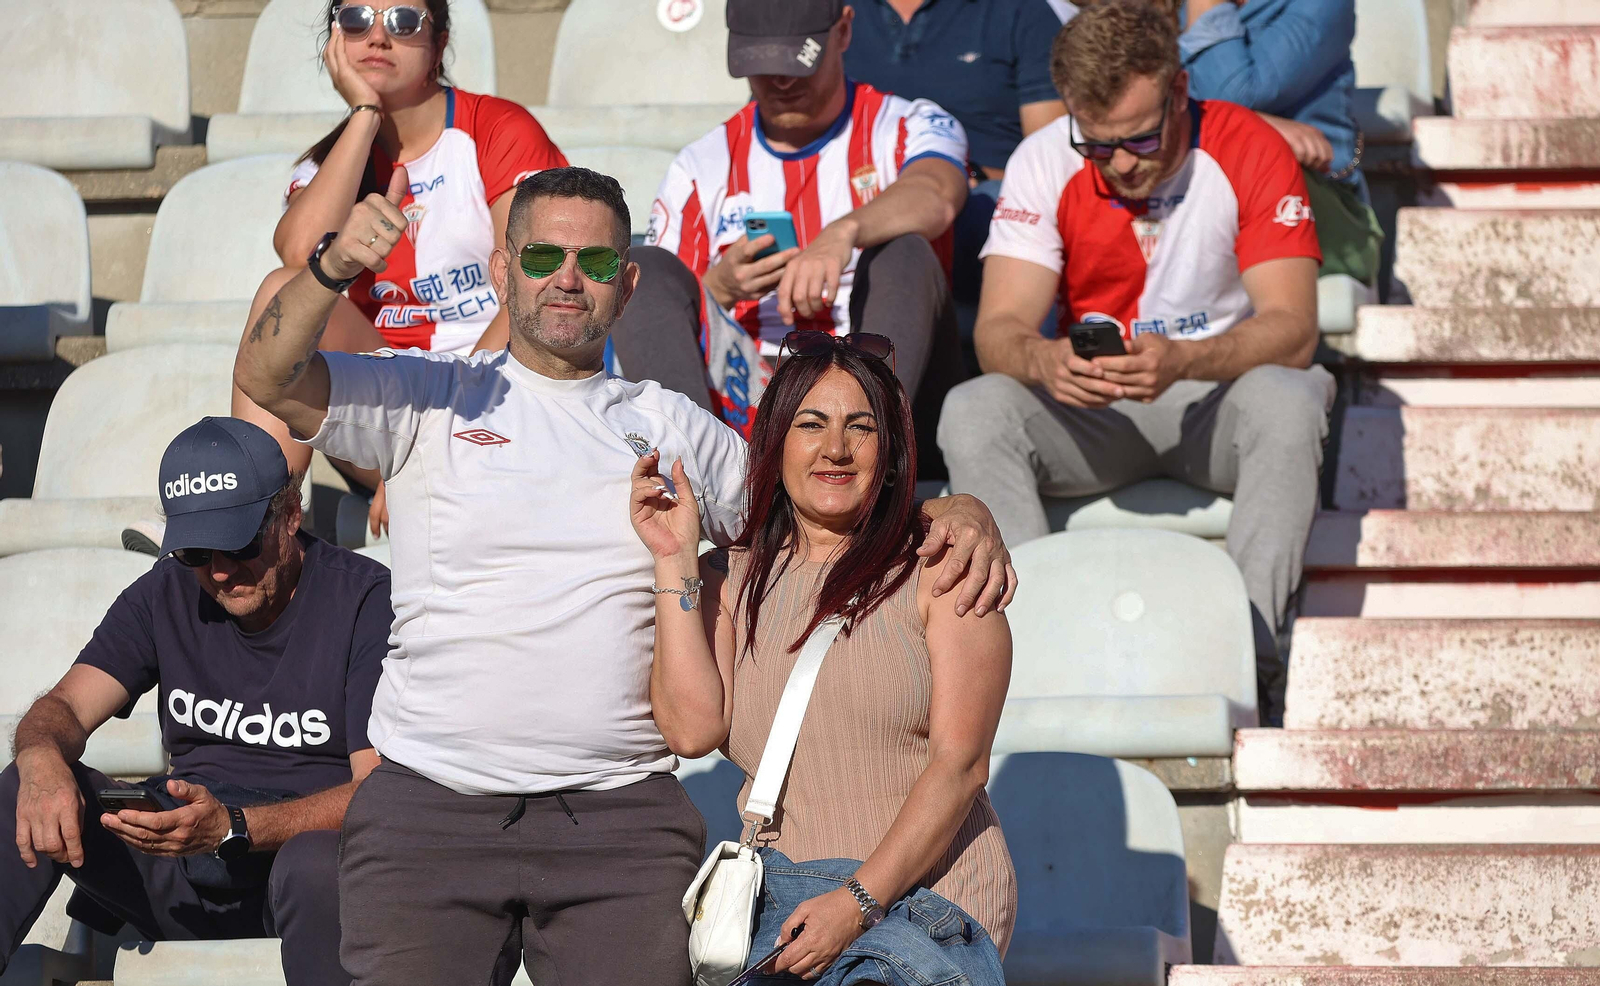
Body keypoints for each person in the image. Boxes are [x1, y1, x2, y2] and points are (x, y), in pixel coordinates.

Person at [231, 164, 1015, 985]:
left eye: (597, 262)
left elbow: (821, 498)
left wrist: (952, 509)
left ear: (628, 284)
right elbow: (265, 376)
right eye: (543, 257)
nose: (568, 279)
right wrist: (332, 269)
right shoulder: (426, 394)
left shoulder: (674, 426)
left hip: (619, 819)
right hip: (431, 805)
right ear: (502, 270)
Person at [938, 0, 1334, 718]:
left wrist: (1185, 360)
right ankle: (1023, 661)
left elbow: (1294, 327)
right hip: (1093, 412)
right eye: (1096, 144)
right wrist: (1045, 360)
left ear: (1180, 91)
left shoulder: (1247, 145)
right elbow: (998, 332)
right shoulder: (1044, 158)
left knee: (1293, 397)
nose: (1120, 163)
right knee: (973, 408)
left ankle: (1252, 661)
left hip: (1216, 400)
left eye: (1141, 139)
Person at [631, 334, 1015, 986]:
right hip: (781, 903)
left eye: (860, 427)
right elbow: (691, 732)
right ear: (775, 444)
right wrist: (674, 559)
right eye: (811, 424)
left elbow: (961, 767)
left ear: (889, 455)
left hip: (925, 899)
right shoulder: (730, 578)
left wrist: (857, 902)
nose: (836, 448)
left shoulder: (943, 566)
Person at [3, 417, 390, 986]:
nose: (221, 570)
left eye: (240, 543)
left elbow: (378, 793)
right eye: (197, 550)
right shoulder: (166, 590)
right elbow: (62, 708)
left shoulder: (363, 598)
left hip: (296, 868)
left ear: (290, 514)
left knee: (315, 866)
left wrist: (236, 827)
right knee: (25, 783)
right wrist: (40, 761)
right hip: (182, 862)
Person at [235, 0, 567, 535]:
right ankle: (249, 531)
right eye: (356, 19)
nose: (377, 36)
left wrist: (433, 435)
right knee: (285, 292)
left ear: (439, 44)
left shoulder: (499, 129)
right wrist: (365, 115)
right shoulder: (332, 162)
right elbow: (297, 255)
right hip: (385, 401)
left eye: (403, 21)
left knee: (535, 293)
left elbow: (536, 291)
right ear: (335, 40)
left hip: (495, 396)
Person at [619, 0, 971, 474]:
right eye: (763, 65)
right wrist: (720, 287)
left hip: (890, 390)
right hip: (752, 389)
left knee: (903, 250)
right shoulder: (701, 165)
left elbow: (938, 193)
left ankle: (873, 472)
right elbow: (657, 308)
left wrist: (844, 233)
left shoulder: (909, 125)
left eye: (797, 62)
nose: (782, 81)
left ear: (843, 31)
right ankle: (695, 481)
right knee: (644, 270)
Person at [841, 0, 1067, 317]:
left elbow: (1052, 161)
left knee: (999, 211)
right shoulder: (827, 12)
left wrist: (964, 175)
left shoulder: (1020, 11)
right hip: (855, 192)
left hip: (980, 203)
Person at [1180, 0, 1383, 289]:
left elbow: (1238, 92)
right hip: (1198, 183)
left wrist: (1205, 5)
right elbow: (1136, 106)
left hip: (1312, 199)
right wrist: (1263, 127)